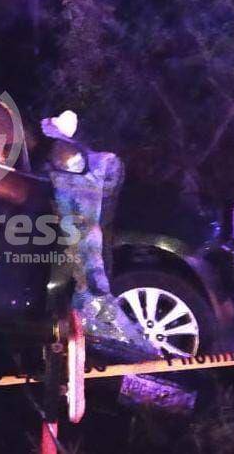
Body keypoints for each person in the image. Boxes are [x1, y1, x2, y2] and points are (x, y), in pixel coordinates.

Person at [41, 111, 155, 360]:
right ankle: (95, 317)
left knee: (89, 260)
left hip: (84, 245)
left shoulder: (81, 164)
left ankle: (96, 318)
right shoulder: (84, 163)